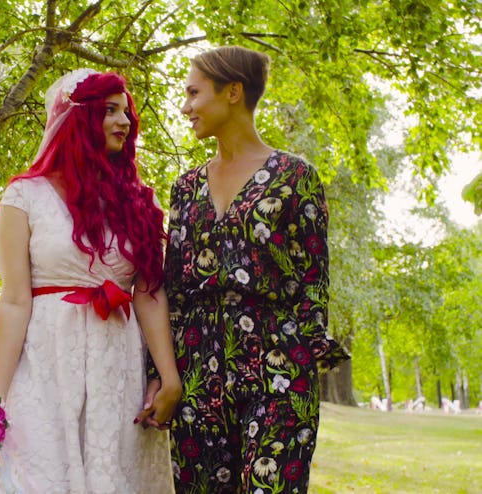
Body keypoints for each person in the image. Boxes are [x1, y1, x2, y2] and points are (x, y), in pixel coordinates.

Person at [146, 46, 350, 493]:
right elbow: (173, 288)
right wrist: (159, 375)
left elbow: (314, 282)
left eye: (194, 93)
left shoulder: (296, 176)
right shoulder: (186, 187)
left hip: (278, 365)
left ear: (233, 92)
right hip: (198, 367)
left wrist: (307, 357)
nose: (185, 107)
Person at [0, 68, 182, 493]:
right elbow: (15, 301)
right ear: (77, 119)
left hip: (117, 368)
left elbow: (148, 293)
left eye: (125, 112)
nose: (124, 121)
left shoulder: (138, 200)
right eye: (109, 110)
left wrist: (170, 377)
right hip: (45, 366)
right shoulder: (23, 197)